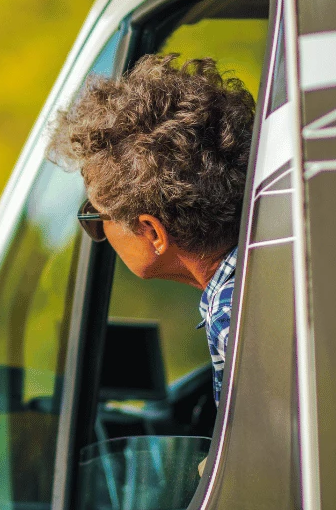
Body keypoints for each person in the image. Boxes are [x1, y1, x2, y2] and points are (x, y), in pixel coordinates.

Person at [48, 53, 254, 405]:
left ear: (153, 232)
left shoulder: (232, 314)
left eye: (97, 216)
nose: (99, 233)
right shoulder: (276, 270)